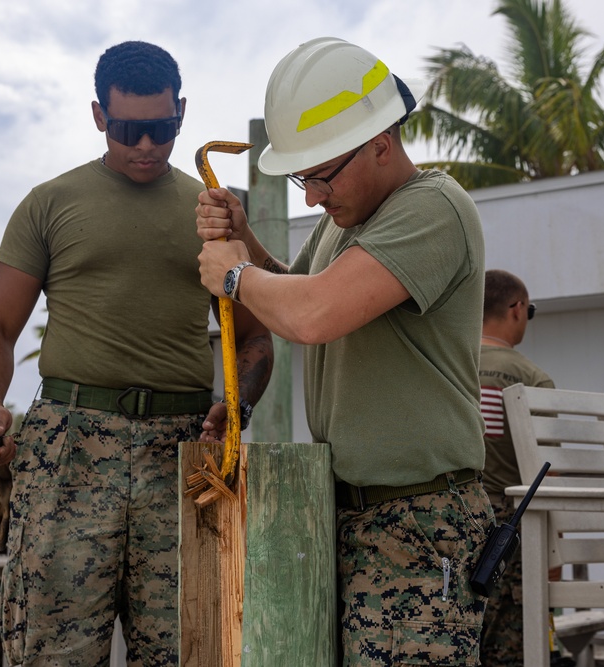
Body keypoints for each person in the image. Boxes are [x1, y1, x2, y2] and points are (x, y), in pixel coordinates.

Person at [0, 40, 273, 666]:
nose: (146, 145)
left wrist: (234, 410)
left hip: (184, 456)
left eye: (161, 128)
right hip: (69, 452)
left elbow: (257, 337)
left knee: (193, 649)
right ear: (100, 115)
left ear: (180, 113)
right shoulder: (51, 203)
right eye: (129, 128)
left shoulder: (211, 214)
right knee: (53, 653)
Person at [195, 37, 492, 665]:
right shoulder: (345, 221)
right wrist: (243, 239)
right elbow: (294, 289)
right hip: (352, 513)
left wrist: (232, 274)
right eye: (304, 178)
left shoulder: (433, 210)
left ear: (381, 144)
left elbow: (312, 314)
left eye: (320, 176)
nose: (311, 197)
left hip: (419, 522)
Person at [477, 269, 556, 666]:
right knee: (513, 644)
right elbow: (549, 471)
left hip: (454, 518)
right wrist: (554, 555)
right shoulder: (531, 378)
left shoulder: (449, 366)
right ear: (517, 309)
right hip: (515, 529)